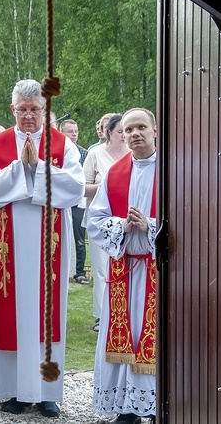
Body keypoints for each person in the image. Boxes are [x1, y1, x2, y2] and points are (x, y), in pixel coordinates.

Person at [0, 79, 85, 418]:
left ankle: (47, 391)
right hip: (9, 246)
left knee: (46, 315)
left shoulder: (62, 145)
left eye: (35, 110)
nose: (29, 117)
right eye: (22, 110)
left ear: (44, 109)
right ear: (13, 110)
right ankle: (15, 391)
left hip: (46, 246)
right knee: (13, 312)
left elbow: (76, 188)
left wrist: (38, 168)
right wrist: (18, 168)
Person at [87, 107, 157, 424]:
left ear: (155, 131)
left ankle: (158, 403)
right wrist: (124, 227)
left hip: (159, 271)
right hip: (126, 269)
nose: (134, 134)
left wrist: (150, 225)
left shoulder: (174, 169)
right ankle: (127, 408)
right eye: (128, 130)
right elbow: (94, 222)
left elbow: (192, 220)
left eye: (141, 127)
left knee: (153, 336)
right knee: (126, 335)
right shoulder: (115, 173)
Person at [82, 113, 129, 332]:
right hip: (101, 219)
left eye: (126, 131)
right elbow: (82, 186)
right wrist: (107, 186)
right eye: (120, 131)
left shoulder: (133, 154)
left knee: (127, 265)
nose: (124, 136)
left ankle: (126, 311)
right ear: (109, 133)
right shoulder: (95, 154)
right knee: (102, 268)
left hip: (127, 219)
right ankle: (102, 316)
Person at [60, 119, 89, 284]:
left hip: (78, 200)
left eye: (76, 131)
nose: (74, 134)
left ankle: (80, 271)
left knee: (79, 236)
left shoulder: (84, 154)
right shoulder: (57, 150)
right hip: (60, 200)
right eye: (70, 131)